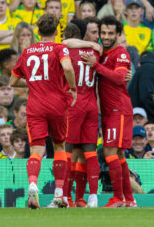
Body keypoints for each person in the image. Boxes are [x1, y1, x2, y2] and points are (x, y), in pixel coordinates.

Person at [10, 14, 77, 209]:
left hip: (36, 106)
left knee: (37, 150)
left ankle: (32, 185)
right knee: (59, 147)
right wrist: (72, 88)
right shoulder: (59, 48)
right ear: (57, 31)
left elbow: (13, 81)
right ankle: (58, 194)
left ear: (38, 32)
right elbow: (67, 67)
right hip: (57, 105)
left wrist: (33, 81)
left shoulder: (27, 52)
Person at [80, 16, 135, 207]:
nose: (106, 36)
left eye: (110, 33)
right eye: (103, 32)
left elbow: (120, 78)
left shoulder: (120, 53)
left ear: (118, 34)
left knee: (110, 151)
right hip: (109, 110)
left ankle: (117, 197)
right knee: (118, 155)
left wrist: (95, 65)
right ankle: (129, 199)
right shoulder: (104, 53)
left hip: (117, 110)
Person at [60, 22, 100, 208]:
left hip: (73, 104)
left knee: (66, 152)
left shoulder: (65, 51)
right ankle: (90, 197)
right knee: (89, 152)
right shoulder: (96, 52)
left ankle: (66, 197)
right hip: (91, 104)